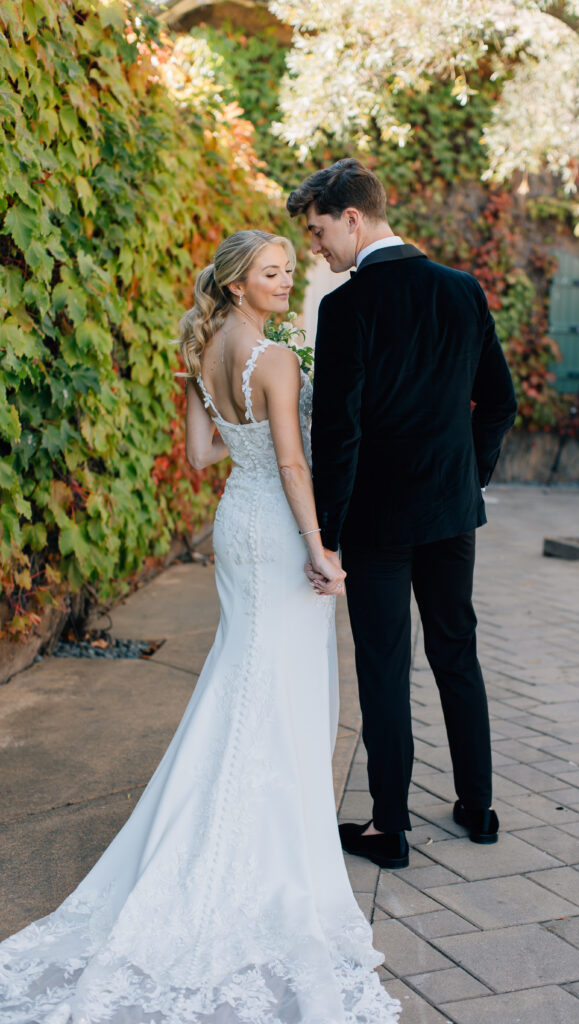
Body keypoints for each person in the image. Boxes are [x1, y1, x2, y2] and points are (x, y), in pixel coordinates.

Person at [0, 230, 400, 1024]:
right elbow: (293, 466)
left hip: (235, 525)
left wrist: (240, 430)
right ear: (239, 282)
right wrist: (320, 549)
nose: (287, 281)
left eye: (290, 270)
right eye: (271, 273)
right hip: (281, 530)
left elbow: (198, 453)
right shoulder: (277, 360)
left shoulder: (202, 346)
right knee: (278, 691)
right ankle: (257, 853)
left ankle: (211, 829)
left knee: (241, 678)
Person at [287, 160, 518, 870]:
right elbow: (500, 402)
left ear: (352, 218)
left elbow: (338, 431)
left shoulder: (348, 306)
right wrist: (466, 482)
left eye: (319, 232)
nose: (316, 250)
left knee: (385, 668)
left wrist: (324, 531)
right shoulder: (462, 290)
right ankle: (476, 808)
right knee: (456, 652)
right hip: (450, 513)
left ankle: (389, 828)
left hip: (377, 522)